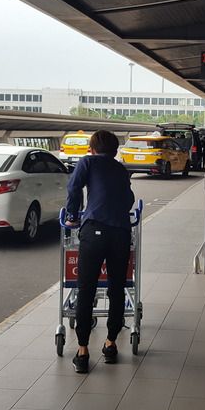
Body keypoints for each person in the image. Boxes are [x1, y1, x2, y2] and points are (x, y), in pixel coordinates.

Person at [64, 130, 136, 374]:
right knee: (117, 288)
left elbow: (74, 188)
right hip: (120, 233)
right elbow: (128, 199)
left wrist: (72, 215)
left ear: (92, 148)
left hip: (94, 231)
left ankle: (83, 351)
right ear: (115, 150)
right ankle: (111, 344)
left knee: (86, 289)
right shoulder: (120, 169)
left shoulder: (87, 162)